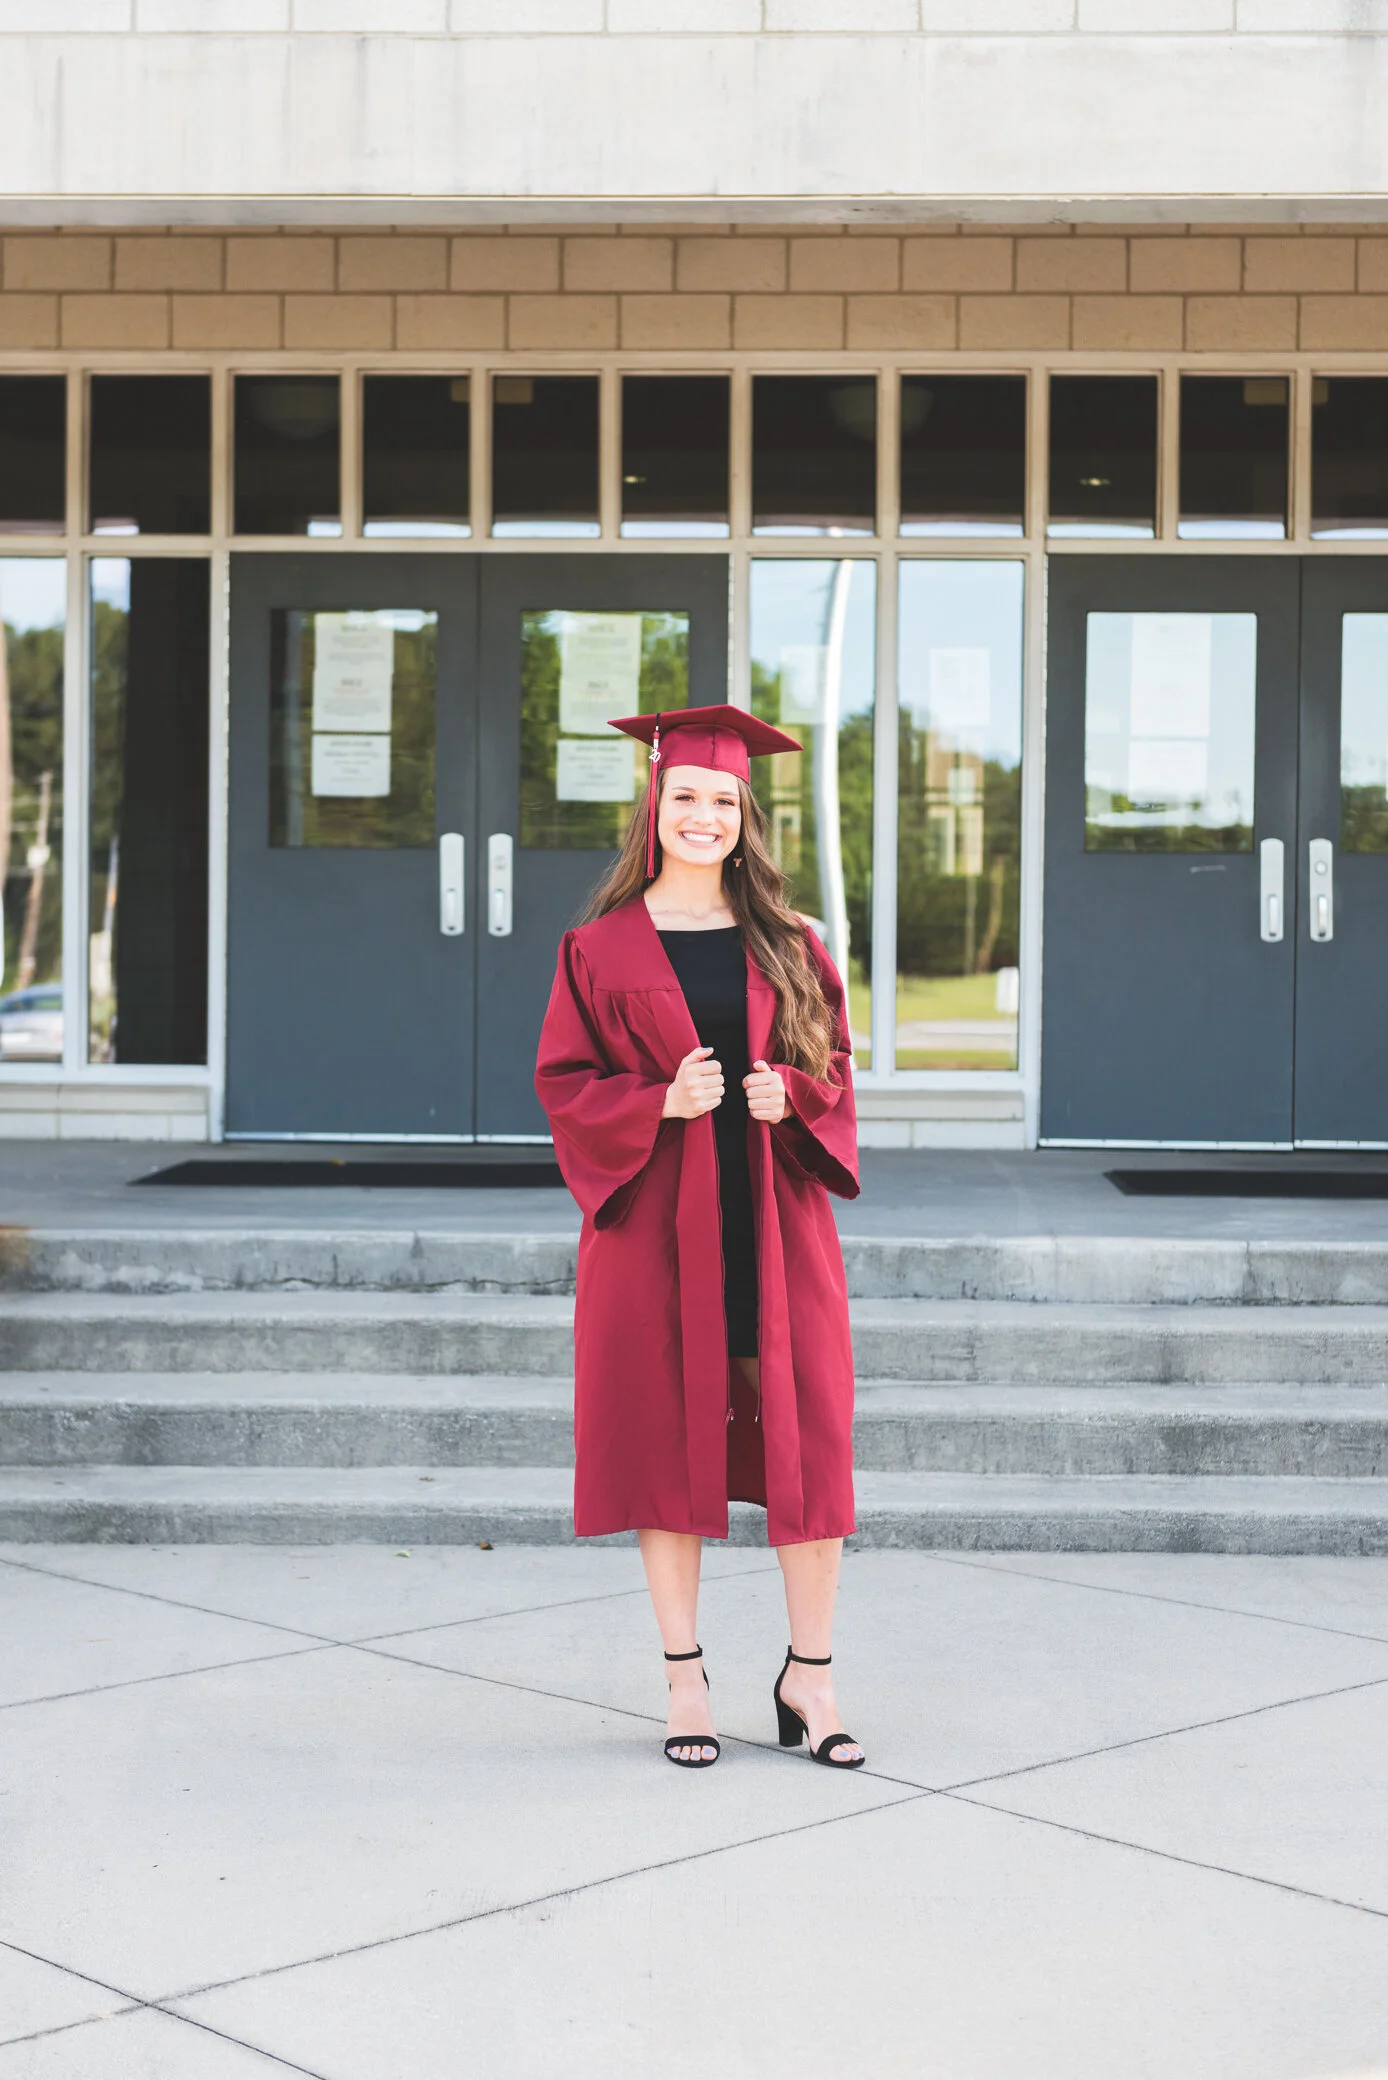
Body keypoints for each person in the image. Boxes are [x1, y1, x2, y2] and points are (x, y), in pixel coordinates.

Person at [534, 703, 863, 1773]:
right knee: (664, 1447)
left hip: (775, 1226)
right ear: (655, 804)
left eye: (723, 799)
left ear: (744, 815)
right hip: (655, 1236)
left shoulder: (791, 941)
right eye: (685, 795)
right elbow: (563, 1084)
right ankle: (685, 1681)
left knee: (808, 1445)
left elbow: (834, 1072)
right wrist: (657, 1102)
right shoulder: (597, 948)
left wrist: (792, 1098)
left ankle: (810, 1677)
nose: (703, 815)